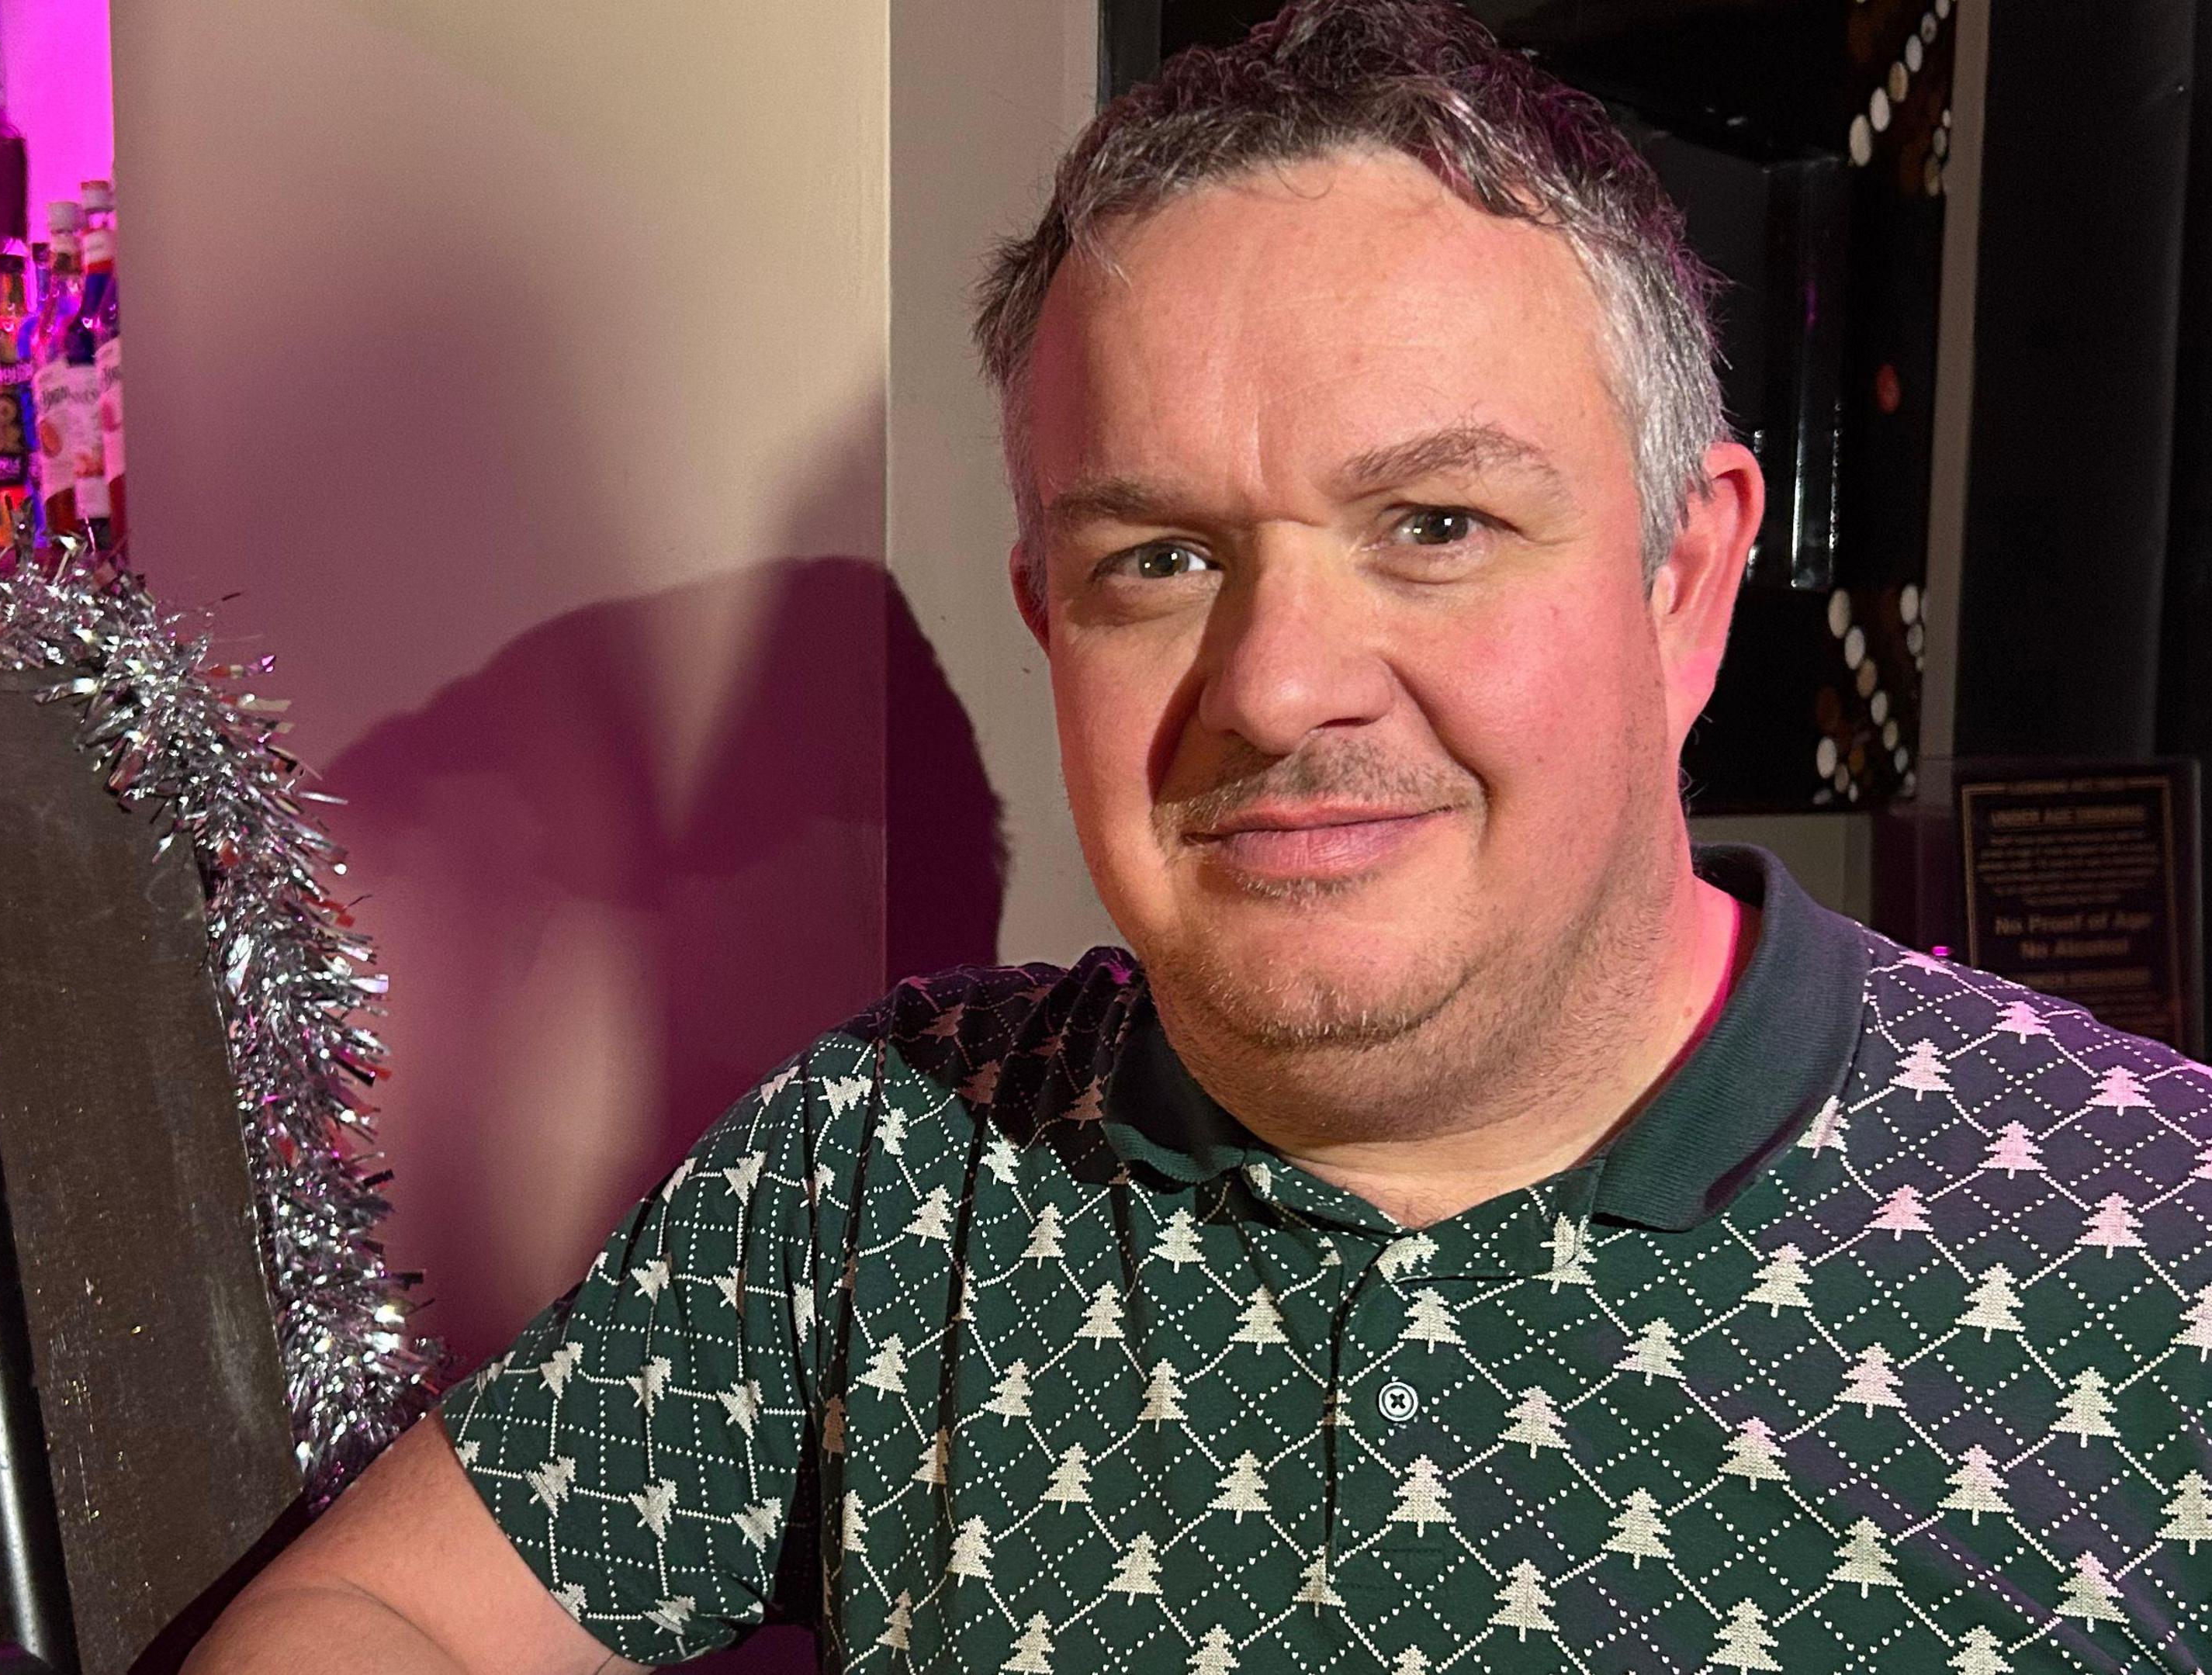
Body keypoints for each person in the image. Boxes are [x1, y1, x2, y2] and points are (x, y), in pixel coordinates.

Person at [193, 2, 2212, 1669]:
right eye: (1160, 557)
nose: (1273, 686)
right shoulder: (893, 1156)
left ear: (1686, 584)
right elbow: (390, 1613)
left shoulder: (2160, 1260)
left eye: (1435, 525)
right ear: (1051, 623)